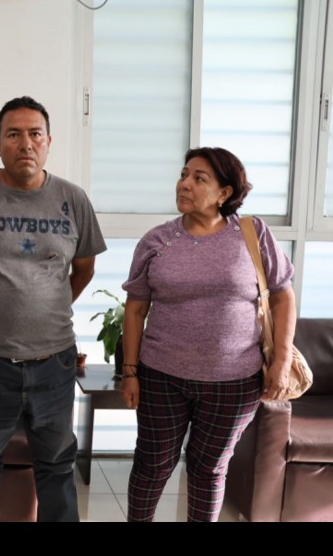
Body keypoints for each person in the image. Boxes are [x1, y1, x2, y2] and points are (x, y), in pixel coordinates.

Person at [0, 96, 107, 522]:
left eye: (34, 134)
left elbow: (84, 269)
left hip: (54, 362)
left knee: (57, 463)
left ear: (49, 142)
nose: (25, 143)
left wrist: (49, 308)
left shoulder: (73, 198)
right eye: (13, 134)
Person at [120, 147, 296, 522]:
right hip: (161, 376)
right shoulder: (156, 240)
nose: (184, 184)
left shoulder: (252, 233)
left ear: (224, 193)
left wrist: (281, 362)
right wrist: (130, 372)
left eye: (199, 178)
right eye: (183, 174)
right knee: (152, 465)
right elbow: (135, 309)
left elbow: (283, 296)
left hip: (235, 381)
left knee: (210, 469)